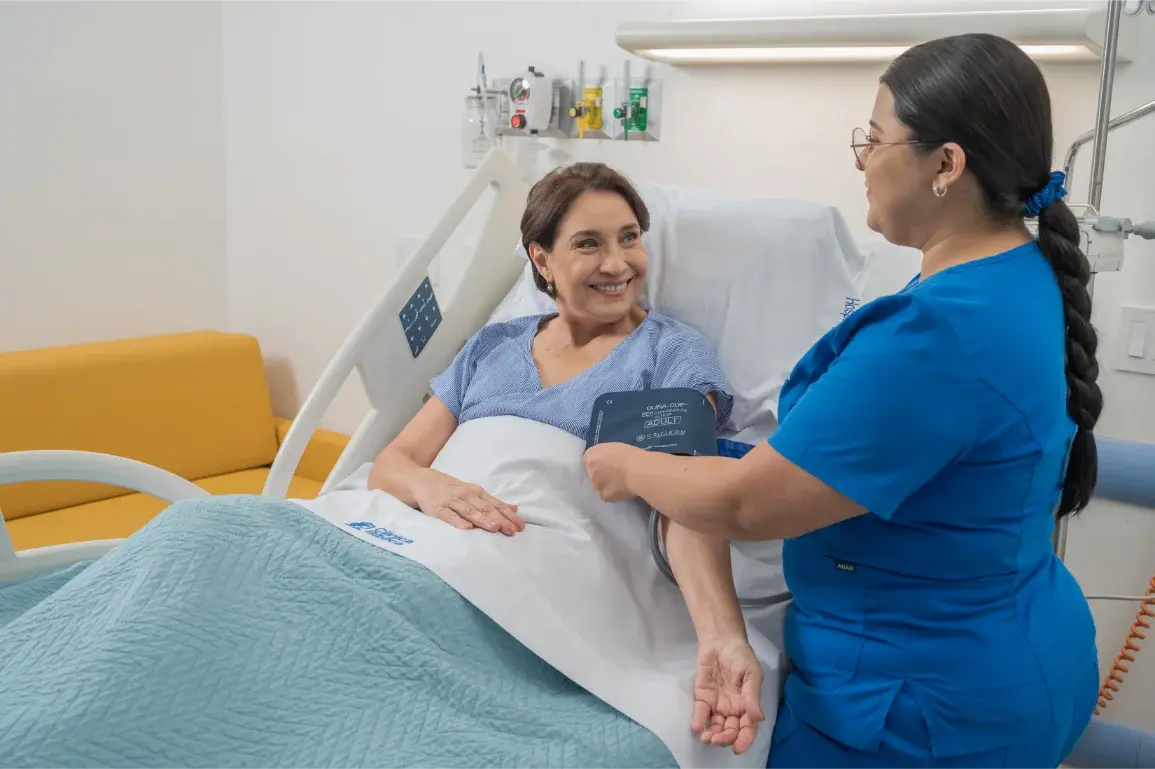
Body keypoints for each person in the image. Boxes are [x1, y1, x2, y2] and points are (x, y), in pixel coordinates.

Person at [584, 33, 1102, 769]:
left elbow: (743, 506)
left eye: (874, 137)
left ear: (945, 166)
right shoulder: (1020, 278)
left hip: (917, 711)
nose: (860, 158)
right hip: (1017, 651)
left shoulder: (934, 333)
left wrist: (627, 468)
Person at [367, 161, 767, 755]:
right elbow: (392, 463)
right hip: (421, 536)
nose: (617, 264)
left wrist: (723, 636)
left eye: (630, 238)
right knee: (220, 529)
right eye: (589, 244)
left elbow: (686, 500)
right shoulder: (493, 344)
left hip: (533, 557)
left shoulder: (670, 354)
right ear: (542, 260)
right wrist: (432, 488)